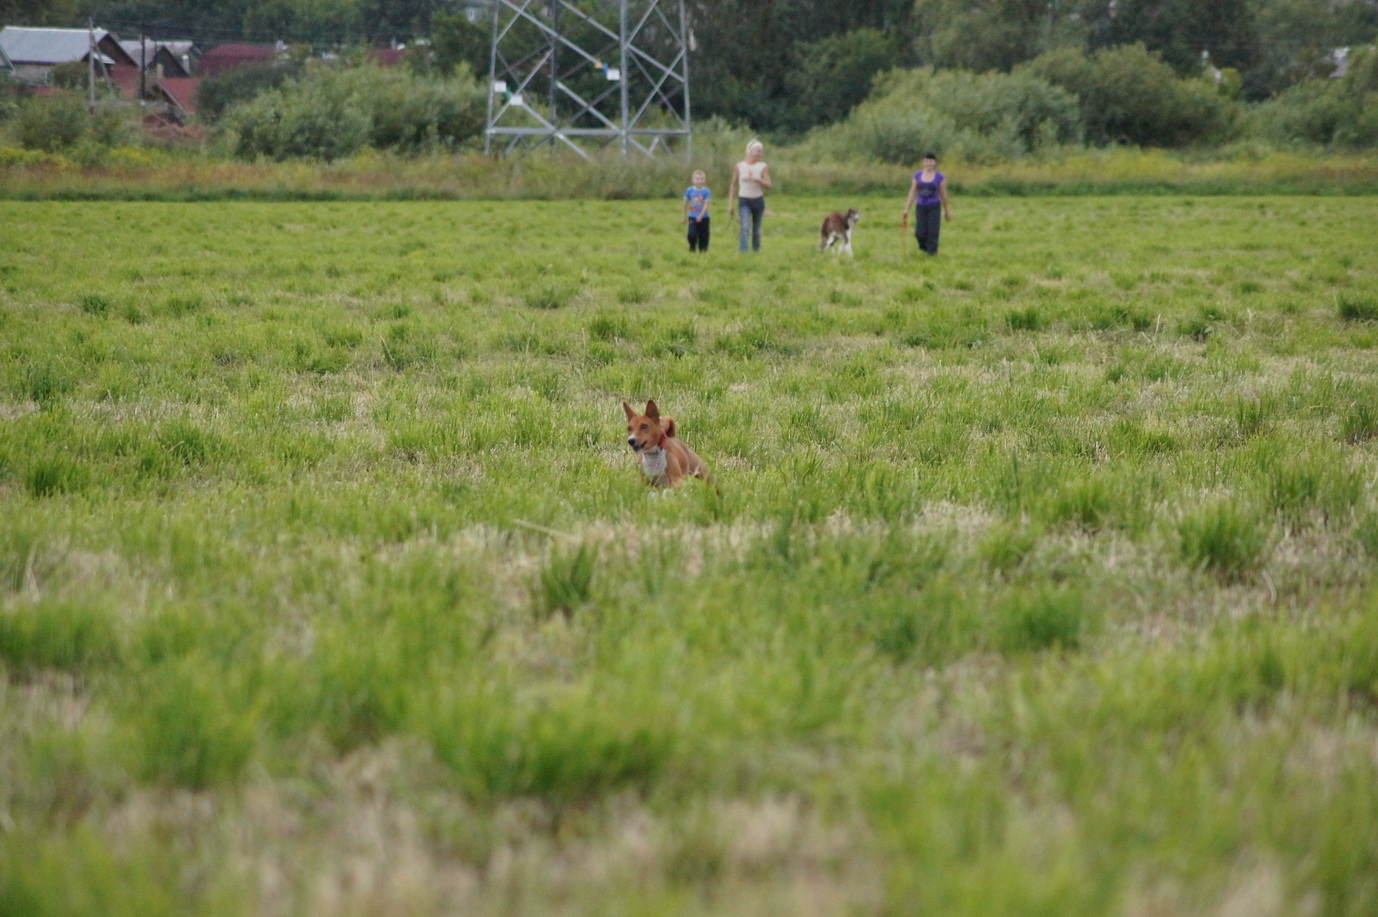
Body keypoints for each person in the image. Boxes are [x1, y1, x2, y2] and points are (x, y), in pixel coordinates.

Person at [902, 153, 952, 256]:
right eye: (927, 161)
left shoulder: (940, 177)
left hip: (934, 206)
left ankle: (932, 254)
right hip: (921, 206)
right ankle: (925, 247)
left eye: (931, 161)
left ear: (934, 163)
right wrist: (906, 209)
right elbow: (913, 192)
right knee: (919, 232)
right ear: (923, 162)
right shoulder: (917, 176)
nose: (929, 163)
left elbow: (943, 194)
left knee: (933, 231)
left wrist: (947, 211)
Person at [728, 139, 772, 253]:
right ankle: (743, 251)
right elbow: (733, 185)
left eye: (761, 151)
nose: (759, 153)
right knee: (745, 227)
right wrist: (730, 204)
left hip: (758, 200)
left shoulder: (763, 166)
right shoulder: (739, 166)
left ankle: (756, 251)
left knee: (756, 229)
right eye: (757, 150)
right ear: (749, 151)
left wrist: (758, 180)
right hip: (744, 200)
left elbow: (769, 184)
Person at [682, 169, 712, 253]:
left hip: (704, 217)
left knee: (703, 237)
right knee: (692, 234)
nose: (699, 181)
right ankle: (692, 247)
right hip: (692, 216)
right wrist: (684, 216)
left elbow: (706, 204)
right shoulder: (689, 190)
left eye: (701, 179)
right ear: (693, 180)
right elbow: (685, 203)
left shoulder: (706, 191)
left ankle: (703, 251)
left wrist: (701, 215)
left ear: (704, 180)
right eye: (697, 179)